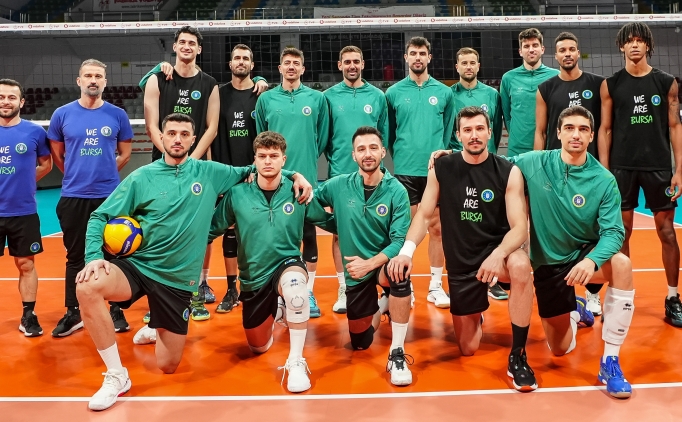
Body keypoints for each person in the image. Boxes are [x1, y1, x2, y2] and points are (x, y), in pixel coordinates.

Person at [75, 114, 311, 411]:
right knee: (87, 287)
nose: (177, 139)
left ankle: (158, 325)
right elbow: (100, 215)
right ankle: (116, 375)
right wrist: (94, 257)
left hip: (176, 282)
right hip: (139, 266)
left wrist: (296, 175)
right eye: (171, 133)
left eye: (184, 134)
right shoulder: (141, 177)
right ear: (160, 137)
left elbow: (262, 166)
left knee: (168, 365)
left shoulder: (210, 172)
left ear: (193, 139)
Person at [432, 105, 636, 398]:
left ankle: (610, 362)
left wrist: (592, 261)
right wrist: (451, 155)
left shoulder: (603, 180)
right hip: (548, 266)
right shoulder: (534, 162)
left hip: (583, 260)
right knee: (560, 349)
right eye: (569, 128)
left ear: (592, 136)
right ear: (558, 133)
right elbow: (488, 161)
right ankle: (575, 312)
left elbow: (615, 232)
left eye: (583, 129)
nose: (575, 135)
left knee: (623, 264)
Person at [390, 107, 536, 391]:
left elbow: (520, 228)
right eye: (467, 130)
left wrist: (497, 255)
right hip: (463, 264)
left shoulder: (508, 172)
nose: (474, 135)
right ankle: (476, 313)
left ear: (490, 132)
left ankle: (518, 356)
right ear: (458, 135)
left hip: (499, 255)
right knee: (468, 348)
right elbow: (424, 214)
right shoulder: (442, 168)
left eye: (480, 129)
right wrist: (406, 251)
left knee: (520, 266)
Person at [139, 45, 269, 315]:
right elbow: (210, 129)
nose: (241, 62)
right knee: (205, 230)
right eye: (236, 58)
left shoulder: (261, 94)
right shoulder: (217, 91)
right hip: (219, 172)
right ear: (229, 64)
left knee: (246, 233)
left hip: (249, 174)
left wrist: (262, 81)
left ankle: (244, 288)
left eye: (246, 58)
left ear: (253, 65)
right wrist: (156, 68)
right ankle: (199, 285)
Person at [209, 131, 332, 393]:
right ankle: (277, 308)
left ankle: (296, 361)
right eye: (262, 156)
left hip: (288, 264)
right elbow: (210, 230)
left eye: (274, 156)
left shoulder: (298, 192)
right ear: (254, 159)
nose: (268, 161)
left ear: (283, 160)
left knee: (297, 291)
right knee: (258, 347)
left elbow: (328, 222)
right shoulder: (237, 194)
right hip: (254, 277)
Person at [599, 22, 682, 328]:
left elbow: (675, 127)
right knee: (621, 233)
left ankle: (672, 297)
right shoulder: (610, 85)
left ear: (648, 45)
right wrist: (605, 172)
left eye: (639, 40)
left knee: (667, 233)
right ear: (621, 46)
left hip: (658, 167)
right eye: (629, 41)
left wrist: (679, 170)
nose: (634, 45)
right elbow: (605, 129)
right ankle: (623, 296)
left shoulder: (667, 83)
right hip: (622, 168)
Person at [316, 126, 414, 386]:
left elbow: (399, 241)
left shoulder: (397, 191)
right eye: (361, 149)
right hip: (356, 273)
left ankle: (397, 351)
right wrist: (335, 224)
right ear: (353, 155)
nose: (367, 154)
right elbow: (310, 203)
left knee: (400, 275)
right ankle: (383, 305)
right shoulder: (338, 185)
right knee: (360, 342)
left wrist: (369, 264)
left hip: (381, 264)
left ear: (382, 152)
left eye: (373, 148)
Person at [48, 59, 133, 337]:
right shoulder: (62, 114)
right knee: (75, 256)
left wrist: (105, 173)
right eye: (88, 76)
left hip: (109, 197)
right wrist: (76, 175)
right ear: (79, 81)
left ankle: (116, 309)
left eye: (98, 76)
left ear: (105, 82)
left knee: (114, 254)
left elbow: (125, 154)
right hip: (74, 196)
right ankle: (73, 313)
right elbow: (58, 154)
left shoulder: (117, 115)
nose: (93, 80)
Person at [142, 25, 219, 321]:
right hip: (161, 166)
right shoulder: (157, 78)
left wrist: (189, 160)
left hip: (194, 167)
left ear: (199, 49)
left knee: (198, 232)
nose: (187, 46)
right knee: (158, 231)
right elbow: (151, 124)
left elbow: (211, 128)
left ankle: (195, 292)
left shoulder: (209, 83)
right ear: (174, 47)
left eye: (192, 43)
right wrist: (169, 156)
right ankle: (157, 299)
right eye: (182, 42)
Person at [535, 32, 606, 315]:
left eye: (572, 49)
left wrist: (604, 167)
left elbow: (603, 128)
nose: (567, 53)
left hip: (588, 172)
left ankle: (593, 294)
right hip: (555, 172)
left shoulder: (597, 84)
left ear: (578, 53)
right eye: (562, 50)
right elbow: (540, 131)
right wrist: (538, 167)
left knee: (592, 232)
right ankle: (562, 295)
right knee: (557, 233)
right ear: (555, 55)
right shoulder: (546, 88)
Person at [256, 47, 330, 318]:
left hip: (306, 176)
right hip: (274, 179)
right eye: (286, 62)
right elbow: (261, 139)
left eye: (296, 63)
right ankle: (279, 293)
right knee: (276, 236)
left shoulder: (317, 98)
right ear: (279, 68)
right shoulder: (266, 99)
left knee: (308, 234)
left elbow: (322, 137)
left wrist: (305, 160)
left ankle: (307, 292)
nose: (291, 67)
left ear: (303, 69)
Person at [385, 36, 455, 308]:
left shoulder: (444, 93)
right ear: (406, 58)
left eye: (422, 53)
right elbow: (390, 134)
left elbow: (447, 132)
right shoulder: (393, 93)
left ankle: (435, 286)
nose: (417, 57)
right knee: (406, 231)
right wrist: (403, 156)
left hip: (434, 171)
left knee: (438, 229)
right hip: (405, 170)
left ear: (429, 57)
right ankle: (406, 284)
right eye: (413, 53)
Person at [323, 45, 389, 314]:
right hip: (341, 175)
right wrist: (337, 161)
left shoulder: (377, 96)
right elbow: (324, 136)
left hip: (373, 176)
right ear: (340, 65)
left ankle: (385, 287)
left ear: (363, 64)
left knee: (378, 230)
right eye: (347, 62)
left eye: (356, 61)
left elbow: (384, 135)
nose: (352, 66)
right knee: (340, 234)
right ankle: (344, 287)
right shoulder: (327, 97)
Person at [450, 47, 507, 302]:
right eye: (464, 63)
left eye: (472, 62)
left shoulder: (492, 94)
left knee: (491, 222)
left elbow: (497, 126)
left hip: (487, 168)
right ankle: (466, 276)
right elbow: (448, 129)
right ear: (457, 67)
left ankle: (493, 279)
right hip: (459, 168)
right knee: (464, 223)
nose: (468, 66)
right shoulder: (449, 95)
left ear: (478, 65)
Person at [0, 79, 52, 337]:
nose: (5, 101)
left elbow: (46, 164)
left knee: (26, 264)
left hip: (23, 211)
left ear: (21, 102)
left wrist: (25, 182)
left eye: (11, 97)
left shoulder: (35, 132)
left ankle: (28, 315)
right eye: (1, 97)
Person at [501, 28, 559, 157]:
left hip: (549, 149)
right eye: (526, 46)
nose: (531, 50)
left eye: (535, 45)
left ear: (542, 49)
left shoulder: (556, 76)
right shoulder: (508, 78)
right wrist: (517, 136)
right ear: (520, 51)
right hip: (517, 150)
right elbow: (507, 115)